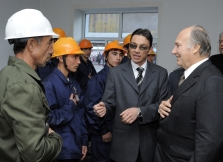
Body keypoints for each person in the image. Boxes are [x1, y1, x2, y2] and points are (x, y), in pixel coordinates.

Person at [0, 9, 62, 162]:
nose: (52, 50)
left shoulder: (6, 74)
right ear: (31, 45)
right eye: (49, 42)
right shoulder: (24, 86)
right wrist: (54, 137)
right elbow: (35, 154)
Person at [93, 28, 170, 162]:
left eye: (142, 47)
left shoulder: (161, 74)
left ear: (150, 48)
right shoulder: (115, 73)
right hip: (122, 145)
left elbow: (163, 107)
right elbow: (109, 103)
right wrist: (103, 109)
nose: (136, 50)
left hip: (149, 145)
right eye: (133, 46)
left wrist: (140, 112)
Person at [156, 25, 223, 162]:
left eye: (178, 45)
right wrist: (164, 107)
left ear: (195, 48)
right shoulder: (184, 76)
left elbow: (209, 141)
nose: (173, 51)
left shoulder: (212, 80)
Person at [42, 37, 88, 162]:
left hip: (75, 147)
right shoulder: (49, 85)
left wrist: (84, 140)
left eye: (79, 57)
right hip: (60, 151)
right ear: (61, 58)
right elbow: (48, 118)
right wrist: (69, 106)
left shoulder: (73, 82)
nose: (79, 62)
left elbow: (80, 113)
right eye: (74, 57)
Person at [84, 40, 124, 162]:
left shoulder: (120, 77)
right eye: (114, 53)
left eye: (120, 54)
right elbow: (91, 108)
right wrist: (104, 130)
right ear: (106, 56)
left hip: (116, 133)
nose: (118, 57)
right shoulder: (98, 80)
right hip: (102, 135)